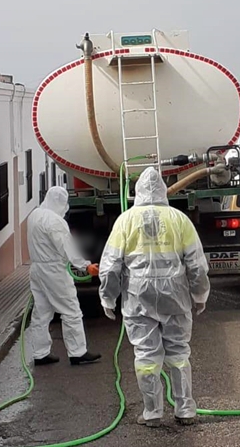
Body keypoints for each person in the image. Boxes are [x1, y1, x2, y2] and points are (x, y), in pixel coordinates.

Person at [99, 167, 210, 428]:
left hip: (138, 296)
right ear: (163, 190)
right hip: (175, 294)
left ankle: (152, 413)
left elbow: (111, 266)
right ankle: (185, 410)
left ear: (137, 191)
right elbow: (196, 264)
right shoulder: (179, 219)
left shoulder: (125, 221)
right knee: (179, 352)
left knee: (146, 355)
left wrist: (108, 297)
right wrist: (199, 294)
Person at [27, 186, 102, 366]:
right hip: (53, 270)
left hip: (36, 268)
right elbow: (67, 248)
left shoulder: (34, 215)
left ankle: (40, 353)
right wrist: (86, 266)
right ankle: (78, 352)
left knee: (41, 312)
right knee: (71, 310)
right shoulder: (55, 221)